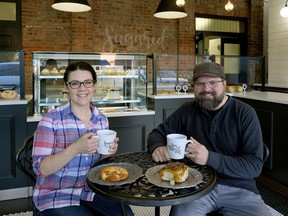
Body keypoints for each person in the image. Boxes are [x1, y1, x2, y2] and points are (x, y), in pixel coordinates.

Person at [147, 62, 272, 216]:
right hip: (196, 187)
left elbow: (254, 166)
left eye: (213, 82)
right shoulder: (187, 110)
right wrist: (157, 146)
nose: (206, 89)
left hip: (239, 188)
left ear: (224, 84)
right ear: (194, 86)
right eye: (200, 83)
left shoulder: (244, 113)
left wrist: (209, 158)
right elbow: (157, 133)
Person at [32, 62, 134, 216]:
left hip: (92, 190)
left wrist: (107, 152)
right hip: (56, 194)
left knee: (126, 214)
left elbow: (98, 164)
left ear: (94, 86)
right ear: (66, 87)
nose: (82, 88)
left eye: (87, 82)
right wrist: (76, 148)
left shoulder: (101, 120)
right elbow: (42, 169)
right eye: (75, 83)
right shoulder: (50, 120)